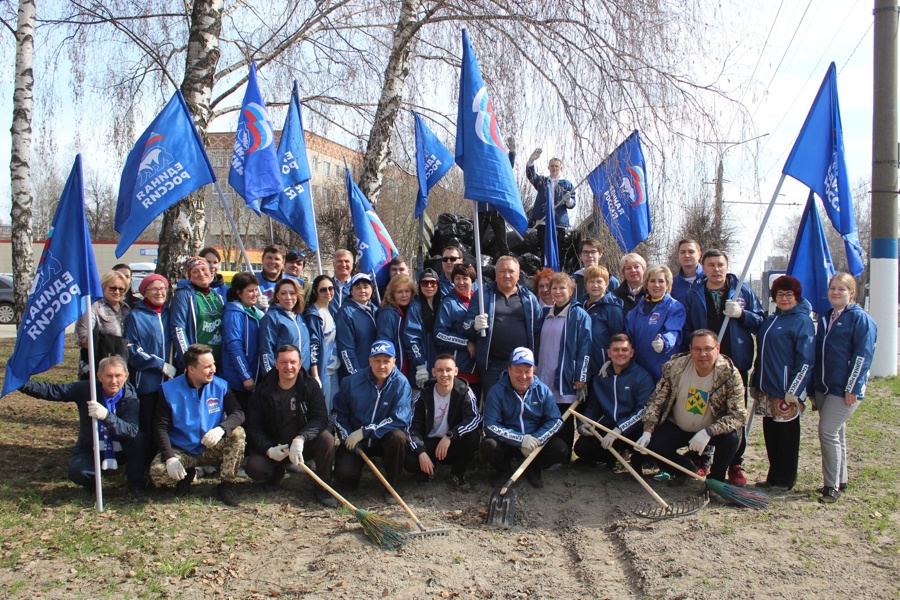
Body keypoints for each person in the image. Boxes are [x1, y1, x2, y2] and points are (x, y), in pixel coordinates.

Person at [682, 249, 763, 486]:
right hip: (704, 363)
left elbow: (759, 320)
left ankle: (736, 463)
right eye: (711, 265)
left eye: (720, 265)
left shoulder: (742, 291)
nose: (716, 269)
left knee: (735, 413)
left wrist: (742, 314)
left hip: (735, 362)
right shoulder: (694, 293)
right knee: (701, 409)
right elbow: (687, 326)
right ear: (703, 267)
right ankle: (702, 457)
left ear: (727, 266)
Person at [18, 356, 147, 500]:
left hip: (121, 449)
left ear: (126, 376)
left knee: (139, 439)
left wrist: (106, 415)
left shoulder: (131, 398)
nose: (113, 381)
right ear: (99, 376)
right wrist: (21, 384)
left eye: (118, 376)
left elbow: (131, 430)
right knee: (78, 472)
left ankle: (136, 486)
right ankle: (93, 482)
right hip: (91, 447)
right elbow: (54, 391)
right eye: (108, 376)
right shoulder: (87, 389)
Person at [635, 329, 747, 485]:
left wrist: (709, 431)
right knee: (654, 444)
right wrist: (648, 430)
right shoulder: (675, 367)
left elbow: (739, 415)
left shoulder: (729, 374)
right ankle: (685, 468)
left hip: (710, 431)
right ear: (690, 349)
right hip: (678, 426)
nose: (702, 354)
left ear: (718, 349)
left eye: (708, 349)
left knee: (731, 439)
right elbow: (657, 401)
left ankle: (716, 480)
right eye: (697, 349)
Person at [150, 344, 246, 506]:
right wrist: (170, 457)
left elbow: (238, 413)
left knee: (238, 433)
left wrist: (221, 429)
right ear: (191, 369)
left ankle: (226, 485)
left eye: (213, 364)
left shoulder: (220, 386)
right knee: (158, 474)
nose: (213, 369)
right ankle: (186, 475)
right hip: (183, 449)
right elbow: (160, 427)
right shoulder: (169, 390)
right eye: (207, 366)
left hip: (210, 446)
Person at [810, 272, 877, 504]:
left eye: (842, 289)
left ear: (852, 292)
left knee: (827, 431)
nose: (836, 292)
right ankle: (841, 478)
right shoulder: (827, 316)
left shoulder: (860, 319)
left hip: (845, 388)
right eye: (832, 288)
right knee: (837, 433)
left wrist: (853, 387)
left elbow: (863, 355)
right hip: (825, 386)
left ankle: (831, 486)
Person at [245, 344, 336, 506]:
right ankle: (276, 473)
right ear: (276, 363)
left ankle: (323, 486)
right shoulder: (262, 390)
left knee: (327, 439)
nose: (289, 367)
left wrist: (301, 438)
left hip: (302, 446)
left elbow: (321, 418)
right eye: (284, 362)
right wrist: (268, 449)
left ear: (300, 363)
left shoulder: (310, 385)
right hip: (275, 447)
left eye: (293, 362)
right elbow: (253, 427)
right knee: (255, 468)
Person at [749, 275, 814, 491]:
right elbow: (762, 353)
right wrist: (755, 381)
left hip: (786, 390)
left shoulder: (802, 321)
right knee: (771, 434)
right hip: (767, 388)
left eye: (788, 295)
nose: (784, 299)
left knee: (787, 436)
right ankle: (773, 475)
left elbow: (805, 359)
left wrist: (795, 388)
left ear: (796, 297)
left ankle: (786, 479)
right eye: (780, 295)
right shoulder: (771, 319)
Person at [333, 340, 412, 503]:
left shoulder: (401, 384)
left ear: (394, 362)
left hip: (383, 440)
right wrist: (347, 437)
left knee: (398, 438)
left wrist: (365, 431)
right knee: (345, 478)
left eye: (386, 361)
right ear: (370, 361)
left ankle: (391, 485)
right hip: (356, 441)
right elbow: (338, 412)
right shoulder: (351, 382)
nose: (381, 365)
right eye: (377, 360)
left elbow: (400, 418)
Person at [481, 347, 566, 488]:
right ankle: (504, 470)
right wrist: (521, 440)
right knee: (489, 445)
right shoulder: (496, 391)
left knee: (560, 449)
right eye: (518, 370)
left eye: (528, 371)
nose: (523, 376)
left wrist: (536, 439)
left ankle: (533, 467)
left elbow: (556, 420)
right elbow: (490, 426)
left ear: (533, 370)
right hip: (508, 442)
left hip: (534, 443)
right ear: (509, 370)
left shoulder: (542, 390)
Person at [465, 256, 543, 398]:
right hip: (492, 364)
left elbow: (537, 332)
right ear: (496, 274)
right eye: (502, 271)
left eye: (511, 271)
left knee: (520, 405)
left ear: (518, 275)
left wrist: (535, 361)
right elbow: (466, 325)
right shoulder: (483, 295)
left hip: (521, 365)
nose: (507, 275)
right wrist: (474, 326)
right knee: (494, 404)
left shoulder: (530, 299)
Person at [574, 334, 654, 469]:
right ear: (609, 353)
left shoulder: (642, 377)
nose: (620, 353)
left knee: (650, 444)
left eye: (624, 350)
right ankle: (615, 458)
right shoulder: (601, 377)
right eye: (616, 350)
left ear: (632, 352)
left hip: (631, 429)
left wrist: (619, 430)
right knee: (581, 448)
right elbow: (593, 407)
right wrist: (583, 424)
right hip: (607, 428)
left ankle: (634, 460)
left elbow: (643, 410)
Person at [534, 272, 590, 458]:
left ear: (571, 291)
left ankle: (564, 456)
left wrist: (581, 377)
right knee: (547, 414)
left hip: (565, 376)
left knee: (563, 417)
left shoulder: (579, 315)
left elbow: (585, 347)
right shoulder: (546, 314)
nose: (557, 292)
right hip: (544, 373)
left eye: (562, 288)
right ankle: (548, 452)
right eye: (554, 288)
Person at [405, 354, 482, 487]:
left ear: (456, 371)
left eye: (448, 370)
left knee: (473, 437)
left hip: (452, 442)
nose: (444, 374)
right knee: (409, 461)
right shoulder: (423, 396)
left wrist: (450, 435)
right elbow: (412, 429)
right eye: (440, 370)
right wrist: (421, 452)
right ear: (433, 372)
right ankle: (428, 470)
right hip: (429, 443)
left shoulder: (464, 392)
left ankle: (457, 473)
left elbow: (474, 419)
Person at [124, 273, 175, 465]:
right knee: (148, 425)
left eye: (162, 288)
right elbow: (132, 349)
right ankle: (144, 465)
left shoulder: (170, 313)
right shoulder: (136, 316)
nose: (159, 292)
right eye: (153, 289)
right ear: (144, 292)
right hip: (147, 383)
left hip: (170, 384)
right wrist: (159, 364)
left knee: (166, 426)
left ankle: (165, 462)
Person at [625, 265, 685, 382]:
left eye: (661, 281)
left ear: (667, 284)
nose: (656, 285)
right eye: (652, 281)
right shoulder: (639, 308)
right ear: (646, 284)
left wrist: (664, 341)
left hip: (661, 370)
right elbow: (627, 332)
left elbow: (674, 331)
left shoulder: (674, 307)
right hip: (638, 369)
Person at [435, 264, 482, 399]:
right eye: (457, 278)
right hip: (459, 368)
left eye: (465, 278)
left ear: (472, 280)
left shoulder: (480, 301)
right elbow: (439, 334)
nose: (461, 282)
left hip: (478, 368)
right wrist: (465, 343)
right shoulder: (449, 303)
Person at [170, 257, 225, 371]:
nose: (201, 274)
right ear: (190, 276)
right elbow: (178, 329)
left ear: (210, 271)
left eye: (204, 269)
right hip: (197, 364)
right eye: (195, 271)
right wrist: (189, 359)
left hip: (218, 361)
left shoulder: (217, 296)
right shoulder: (184, 295)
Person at [76, 270, 132, 379]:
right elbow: (82, 339)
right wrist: (118, 343)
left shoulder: (126, 309)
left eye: (121, 289)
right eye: (112, 288)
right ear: (103, 287)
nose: (117, 292)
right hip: (96, 366)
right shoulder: (92, 307)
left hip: (121, 368)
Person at [221, 272, 263, 410]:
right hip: (239, 379)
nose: (255, 294)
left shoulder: (254, 311)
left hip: (254, 375)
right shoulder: (234, 313)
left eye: (256, 289)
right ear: (239, 293)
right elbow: (234, 346)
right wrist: (245, 375)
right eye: (250, 291)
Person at [526, 149, 576, 265]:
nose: (554, 168)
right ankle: (546, 272)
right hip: (543, 221)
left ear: (561, 168)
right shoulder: (542, 181)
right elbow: (531, 176)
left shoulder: (567, 184)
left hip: (559, 223)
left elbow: (572, 205)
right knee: (544, 250)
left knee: (557, 250)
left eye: (557, 166)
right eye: (552, 166)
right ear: (548, 167)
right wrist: (531, 161)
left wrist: (568, 200)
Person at [259, 278, 315, 380]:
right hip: (282, 377)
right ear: (277, 296)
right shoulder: (271, 317)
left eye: (292, 293)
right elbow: (266, 351)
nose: (288, 297)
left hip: (302, 376)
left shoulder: (299, 317)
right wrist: (270, 378)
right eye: (283, 293)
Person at [581, 265, 625, 376]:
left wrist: (612, 363)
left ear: (607, 284)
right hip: (581, 365)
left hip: (603, 366)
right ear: (586, 285)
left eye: (599, 281)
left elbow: (618, 338)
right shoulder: (578, 306)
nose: (595, 285)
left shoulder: (612, 308)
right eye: (591, 282)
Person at [477, 137, 515, 259]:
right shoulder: (480, 170)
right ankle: (472, 262)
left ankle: (506, 260)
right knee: (477, 238)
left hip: (496, 211)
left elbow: (508, 167)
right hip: (482, 210)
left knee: (501, 240)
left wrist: (512, 152)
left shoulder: (499, 172)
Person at [305, 274, 339, 409]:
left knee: (334, 410)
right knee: (324, 413)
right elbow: (313, 346)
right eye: (323, 290)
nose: (328, 292)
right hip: (322, 371)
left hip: (333, 370)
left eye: (331, 288)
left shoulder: (329, 310)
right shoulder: (313, 314)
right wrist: (315, 375)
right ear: (315, 292)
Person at [336, 273, 379, 381]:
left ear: (372, 289)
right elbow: (345, 349)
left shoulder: (377, 310)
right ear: (351, 291)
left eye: (366, 287)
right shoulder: (345, 313)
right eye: (358, 287)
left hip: (377, 373)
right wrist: (355, 374)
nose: (362, 291)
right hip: (358, 376)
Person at [376, 274, 417, 385]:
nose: (404, 295)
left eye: (407, 291)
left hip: (408, 367)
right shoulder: (388, 313)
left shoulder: (409, 310)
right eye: (399, 292)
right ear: (392, 294)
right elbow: (384, 344)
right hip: (396, 369)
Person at [406, 268, 442, 390]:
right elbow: (412, 340)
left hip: (439, 364)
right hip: (423, 366)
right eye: (424, 283)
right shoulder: (415, 308)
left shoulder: (442, 305)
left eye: (433, 282)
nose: (429, 286)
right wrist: (420, 365)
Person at [671, 239, 703, 304]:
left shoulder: (708, 279)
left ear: (699, 255)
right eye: (683, 252)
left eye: (691, 252)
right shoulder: (672, 283)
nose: (687, 255)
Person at [330, 249, 355, 315]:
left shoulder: (357, 286)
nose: (343, 264)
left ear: (352, 265)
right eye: (339, 261)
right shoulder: (326, 286)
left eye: (347, 261)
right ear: (333, 264)